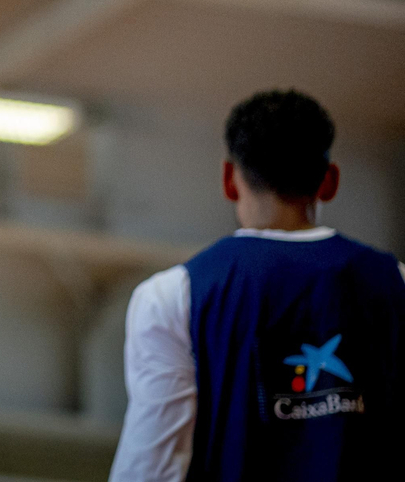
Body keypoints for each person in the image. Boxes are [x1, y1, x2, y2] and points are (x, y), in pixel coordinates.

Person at [109, 89, 405, 482]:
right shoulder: (396, 283)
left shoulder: (172, 295)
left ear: (229, 179)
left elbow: (150, 468)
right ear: (329, 181)